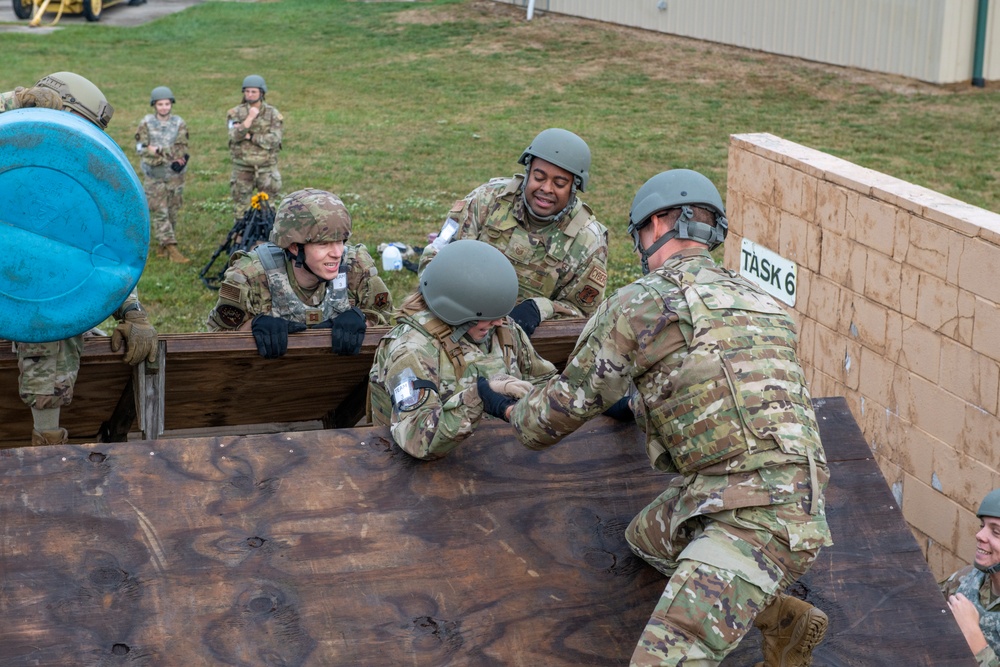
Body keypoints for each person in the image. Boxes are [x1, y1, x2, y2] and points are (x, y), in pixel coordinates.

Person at [477, 168, 833, 666]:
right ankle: (780, 618)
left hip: (753, 519)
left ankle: (736, 591)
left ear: (660, 221)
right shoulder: (762, 302)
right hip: (785, 493)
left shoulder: (639, 304)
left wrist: (507, 404)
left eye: (642, 230)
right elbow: (716, 387)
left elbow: (548, 422)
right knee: (649, 537)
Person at [2, 72, 158, 446]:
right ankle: (47, 441)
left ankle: (47, 439)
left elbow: (96, 255)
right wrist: (19, 101)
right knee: (50, 319)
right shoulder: (15, 130)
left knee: (57, 309)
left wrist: (130, 309)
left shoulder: (63, 169)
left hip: (24, 285)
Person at [368, 239, 556, 460]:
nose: (498, 323)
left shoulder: (502, 328)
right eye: (488, 317)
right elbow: (417, 439)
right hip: (420, 475)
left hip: (498, 458)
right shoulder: (410, 349)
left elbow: (543, 379)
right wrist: (480, 396)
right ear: (455, 309)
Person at [418, 128, 608, 337]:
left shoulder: (587, 240)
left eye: (559, 183)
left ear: (574, 188)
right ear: (527, 173)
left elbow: (584, 316)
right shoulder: (487, 199)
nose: (546, 188)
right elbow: (437, 254)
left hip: (527, 342)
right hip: (457, 320)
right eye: (539, 176)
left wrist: (540, 308)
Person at [206, 188, 392, 358]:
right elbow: (216, 338)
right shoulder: (249, 275)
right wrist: (253, 327)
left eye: (341, 241)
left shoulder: (355, 266)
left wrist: (363, 321)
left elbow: (386, 319)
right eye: (323, 243)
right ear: (295, 247)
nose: (337, 253)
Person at [940, 489, 1000, 667]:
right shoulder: (967, 579)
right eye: (983, 526)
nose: (979, 535)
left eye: (996, 532)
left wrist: (974, 637)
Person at [135, 85, 190, 263]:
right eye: (160, 104)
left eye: (167, 104)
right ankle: (172, 248)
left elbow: (181, 148)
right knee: (159, 211)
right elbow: (141, 148)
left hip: (175, 176)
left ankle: (162, 244)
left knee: (172, 211)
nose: (164, 107)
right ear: (154, 105)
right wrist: (168, 153)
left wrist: (158, 150)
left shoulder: (179, 123)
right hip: (154, 175)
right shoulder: (146, 123)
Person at [227, 74, 283, 221]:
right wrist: (249, 119)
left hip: (266, 167)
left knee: (268, 206)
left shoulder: (272, 114)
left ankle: (268, 239)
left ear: (261, 93)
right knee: (241, 206)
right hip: (242, 167)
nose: (250, 95)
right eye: (247, 91)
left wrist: (251, 137)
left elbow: (275, 140)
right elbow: (234, 136)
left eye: (253, 92)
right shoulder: (235, 113)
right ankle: (240, 239)